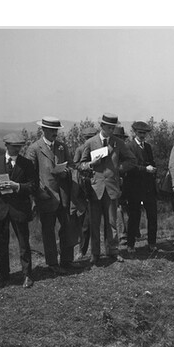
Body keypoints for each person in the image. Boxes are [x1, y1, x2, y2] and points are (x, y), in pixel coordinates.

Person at [74, 113, 134, 264]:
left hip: (112, 188)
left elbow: (132, 160)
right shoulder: (90, 143)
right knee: (94, 223)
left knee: (112, 222)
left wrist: (117, 169)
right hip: (95, 189)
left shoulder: (118, 143)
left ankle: (113, 251)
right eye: (108, 127)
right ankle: (95, 254)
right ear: (101, 126)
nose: (111, 130)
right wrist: (90, 165)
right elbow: (79, 165)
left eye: (113, 127)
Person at [0, 133, 38, 288]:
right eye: (14, 147)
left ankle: (27, 275)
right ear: (6, 145)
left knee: (23, 243)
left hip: (19, 209)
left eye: (20, 147)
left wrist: (18, 186)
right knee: (2, 244)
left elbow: (33, 186)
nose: (17, 149)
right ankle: (4, 275)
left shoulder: (27, 164)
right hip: (0, 209)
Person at [25, 116, 76, 274]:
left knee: (67, 227)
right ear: (44, 130)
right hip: (46, 196)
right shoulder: (34, 149)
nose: (55, 133)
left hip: (63, 194)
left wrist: (66, 172)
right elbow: (29, 175)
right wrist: (38, 193)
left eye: (56, 130)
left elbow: (70, 164)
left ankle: (67, 260)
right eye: (52, 130)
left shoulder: (61, 146)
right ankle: (52, 263)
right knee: (48, 230)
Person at [122, 120, 159, 252]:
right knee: (134, 217)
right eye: (140, 133)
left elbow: (152, 162)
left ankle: (152, 243)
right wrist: (145, 169)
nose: (142, 135)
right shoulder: (129, 147)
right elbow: (129, 167)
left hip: (148, 187)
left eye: (144, 133)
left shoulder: (148, 147)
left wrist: (153, 170)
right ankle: (130, 244)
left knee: (152, 216)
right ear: (134, 132)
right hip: (134, 188)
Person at [70, 126, 99, 260]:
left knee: (94, 222)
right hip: (83, 187)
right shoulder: (80, 150)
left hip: (97, 186)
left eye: (92, 137)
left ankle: (95, 252)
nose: (90, 140)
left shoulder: (100, 150)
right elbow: (75, 166)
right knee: (85, 223)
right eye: (88, 138)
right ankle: (82, 250)